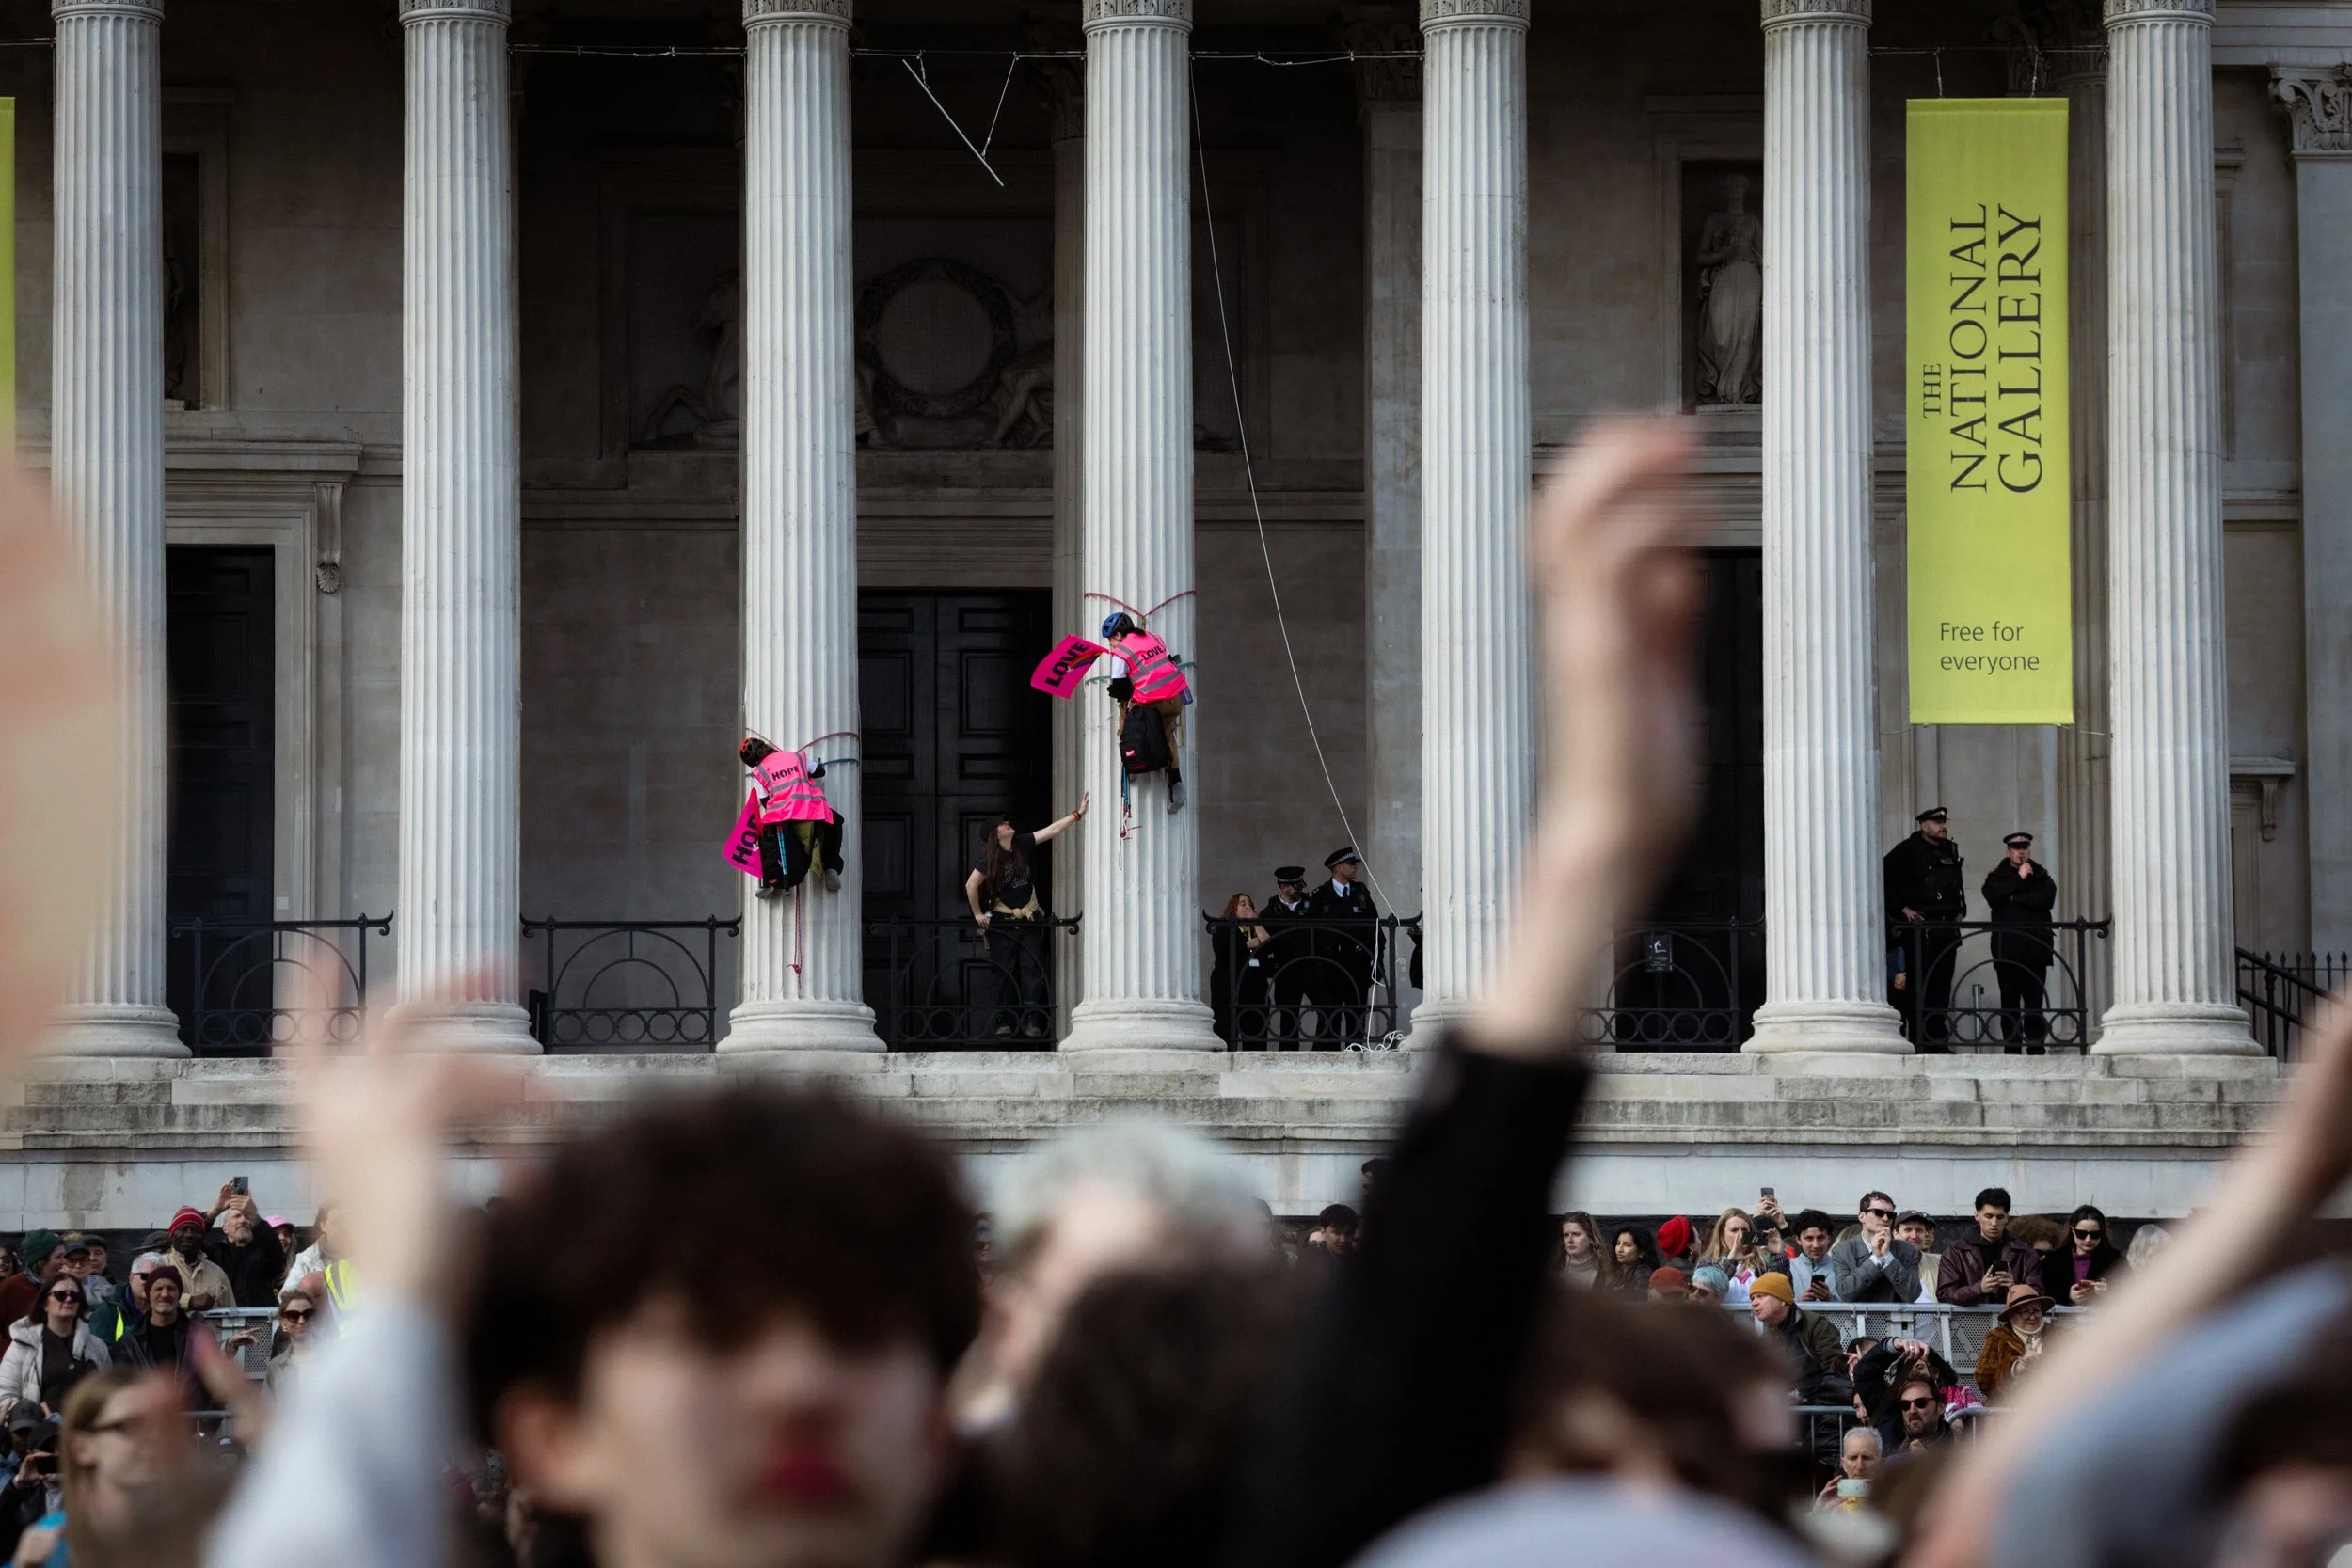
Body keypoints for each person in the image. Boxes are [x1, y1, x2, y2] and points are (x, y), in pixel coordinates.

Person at [965, 800, 1088, 1039]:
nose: (1008, 823)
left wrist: (1077, 815)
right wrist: (978, 914)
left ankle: (1032, 1018)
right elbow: (971, 885)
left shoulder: (1021, 844)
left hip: (1029, 919)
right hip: (1002, 922)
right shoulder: (990, 859)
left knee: (1031, 968)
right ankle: (1003, 1019)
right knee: (1003, 970)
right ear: (995, 834)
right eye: (1002, 824)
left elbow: (1051, 830)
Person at [1884, 805, 1967, 1048]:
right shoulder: (1906, 851)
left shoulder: (1949, 849)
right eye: (1936, 821)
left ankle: (1936, 1040)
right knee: (1919, 987)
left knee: (1942, 987)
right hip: (1921, 930)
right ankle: (1919, 1039)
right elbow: (1884, 879)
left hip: (1946, 929)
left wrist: (1961, 908)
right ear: (1923, 825)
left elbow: (1956, 882)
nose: (1943, 825)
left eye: (1943, 821)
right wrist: (1902, 908)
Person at [1098, 611, 1190, 812]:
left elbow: (1120, 688)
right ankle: (1176, 781)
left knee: (1129, 725)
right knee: (1167, 734)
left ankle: (1133, 764)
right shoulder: (1154, 637)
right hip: (1175, 698)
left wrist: (1119, 694)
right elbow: (1163, 663)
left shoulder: (1121, 652)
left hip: (1152, 702)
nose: (1110, 645)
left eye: (1110, 640)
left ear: (1119, 635)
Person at [738, 735, 846, 899]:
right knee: (836, 823)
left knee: (765, 839)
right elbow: (819, 771)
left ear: (753, 762)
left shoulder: (759, 772)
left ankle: (765, 881)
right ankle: (832, 867)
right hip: (812, 811)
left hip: (783, 818)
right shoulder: (796, 756)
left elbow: (765, 801)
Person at [1982, 830, 2059, 1052]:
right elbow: (1993, 896)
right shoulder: (1998, 876)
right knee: (2010, 1003)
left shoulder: (2040, 874)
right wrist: (2019, 879)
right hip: (2007, 951)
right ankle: (2012, 1048)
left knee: (2034, 1004)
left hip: (2036, 950)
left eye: (2024, 848)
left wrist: (2014, 898)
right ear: (2009, 852)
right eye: (2017, 849)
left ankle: (2036, 1048)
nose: (2021, 853)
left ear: (2029, 850)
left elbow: (2046, 899)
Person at [0, 1276, 106, 1423]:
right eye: (60, 1295)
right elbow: (4, 1394)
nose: (68, 1299)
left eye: (74, 1296)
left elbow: (110, 1392)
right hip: (39, 1437)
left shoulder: (97, 1346)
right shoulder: (22, 1345)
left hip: (88, 1434)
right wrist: (30, 1419)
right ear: (45, 1303)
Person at [1306, 847, 1381, 1045]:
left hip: (1357, 965)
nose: (1355, 867)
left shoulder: (1361, 893)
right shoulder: (1320, 896)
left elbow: (1375, 928)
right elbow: (1309, 935)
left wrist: (1376, 962)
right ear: (1339, 868)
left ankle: (1356, 1055)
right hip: (1330, 967)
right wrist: (1315, 969)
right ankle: (1327, 1060)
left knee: (1356, 1016)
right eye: (1350, 864)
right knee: (1329, 1018)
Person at [1745, 1273, 1850, 1405]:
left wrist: (1815, 1402)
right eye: (1752, 1298)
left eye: (1760, 1296)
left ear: (1782, 1300)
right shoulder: (1766, 1337)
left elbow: (1834, 1368)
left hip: (1818, 1411)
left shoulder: (1815, 1324)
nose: (1754, 1303)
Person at [1937, 1186, 2044, 1307]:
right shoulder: (1956, 1251)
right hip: (1967, 1323)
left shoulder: (2025, 1253)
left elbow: (2038, 1293)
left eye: (2000, 1217)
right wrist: (1979, 1288)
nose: (1994, 1223)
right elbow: (1944, 1294)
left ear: (2007, 1218)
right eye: (1988, 1216)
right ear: (1977, 1216)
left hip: (2011, 1322)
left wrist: (2015, 1288)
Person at [1826, 1190, 1922, 1304]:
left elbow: (1913, 1294)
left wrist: (1887, 1257)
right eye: (1878, 1213)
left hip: (1896, 1320)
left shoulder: (1906, 1250)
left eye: (1891, 1215)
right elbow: (1845, 1293)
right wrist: (1875, 1259)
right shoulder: (1843, 1250)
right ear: (1862, 1217)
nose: (1886, 1219)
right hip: (1859, 1320)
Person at [1259, 866, 1316, 1049]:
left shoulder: (1311, 906)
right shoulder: (1269, 912)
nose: (1299, 888)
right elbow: (1264, 947)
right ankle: (1288, 1056)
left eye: (1300, 884)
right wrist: (1273, 969)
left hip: (1312, 968)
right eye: (1294, 885)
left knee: (1327, 1008)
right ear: (1283, 887)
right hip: (1286, 971)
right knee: (1288, 1017)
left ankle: (1324, 1050)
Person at [204, 1185, 287, 1309]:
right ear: (224, 1228)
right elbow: (191, 1240)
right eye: (237, 1216)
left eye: (247, 1216)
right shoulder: (215, 1253)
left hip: (260, 1323)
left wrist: (254, 1215)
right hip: (221, 1324)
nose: (243, 1220)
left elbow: (276, 1254)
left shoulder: (263, 1252)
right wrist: (215, 1210)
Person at [1209, 894, 1273, 1049]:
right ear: (1233, 908)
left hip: (1255, 992)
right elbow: (1222, 949)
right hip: (1230, 990)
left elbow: (1269, 944)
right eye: (1242, 903)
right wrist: (1247, 945)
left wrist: (1256, 922)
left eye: (1249, 904)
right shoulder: (1225, 928)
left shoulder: (1256, 928)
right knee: (1227, 1033)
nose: (1247, 907)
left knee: (1255, 1037)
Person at [1974, 1282, 2055, 1402]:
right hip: (2009, 1411)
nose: (2032, 1317)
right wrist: (2014, 1369)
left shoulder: (2059, 1335)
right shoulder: (1997, 1338)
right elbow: (1983, 1380)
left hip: (2053, 1407)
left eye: (2036, 1311)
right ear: (2012, 1316)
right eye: (2025, 1312)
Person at [2042, 1202, 2127, 1307]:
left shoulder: (2115, 1261)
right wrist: (2068, 1295)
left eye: (2094, 1234)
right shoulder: (2053, 1261)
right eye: (2081, 1234)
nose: (2088, 1240)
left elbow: (2132, 1292)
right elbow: (2043, 1293)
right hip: (2063, 1321)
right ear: (2072, 1230)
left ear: (2102, 1232)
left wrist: (2109, 1292)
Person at [117, 1269, 190, 1373]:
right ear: (148, 1295)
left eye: (171, 1288)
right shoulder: (130, 1343)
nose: (164, 1294)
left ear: (179, 1295)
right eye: (158, 1289)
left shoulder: (197, 1336)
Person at [162, 1207, 232, 1311]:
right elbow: (148, 1300)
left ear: (203, 1237)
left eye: (196, 1231)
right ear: (172, 1234)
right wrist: (189, 1301)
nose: (189, 1235)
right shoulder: (159, 1265)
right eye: (183, 1229)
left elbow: (232, 1314)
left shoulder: (217, 1273)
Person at [1694, 1209, 1769, 1306]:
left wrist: (1778, 1256)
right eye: (1734, 1230)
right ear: (1722, 1236)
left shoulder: (1761, 1264)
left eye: (1745, 1230)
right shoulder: (1708, 1264)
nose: (1741, 1235)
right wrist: (1730, 1262)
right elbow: (1704, 1296)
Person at [262, 1289, 319, 1402]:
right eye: (293, 1316)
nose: (301, 1321)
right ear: (283, 1322)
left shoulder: (334, 1357)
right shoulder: (275, 1367)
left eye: (307, 1314)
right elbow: (266, 1413)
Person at [0, 1240, 62, 1332]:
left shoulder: (57, 1284)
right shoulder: (7, 1287)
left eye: (5, 1259)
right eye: (58, 1257)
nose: (1, 1263)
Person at [1815, 1426, 1883, 1509]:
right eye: (1853, 1458)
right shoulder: (1832, 1505)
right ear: (1844, 1464)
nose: (1860, 1466)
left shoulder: (1895, 1501)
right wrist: (1818, 1512)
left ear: (1880, 1464)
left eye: (1866, 1458)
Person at [1885, 1371, 1950, 1455]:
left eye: (1920, 1403)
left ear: (1940, 1407)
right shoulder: (1891, 1442)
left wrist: (1926, 1463)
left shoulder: (1958, 1450)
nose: (1912, 1411)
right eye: (1906, 1405)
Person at [1783, 1210, 1839, 1301]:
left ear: (1829, 1238)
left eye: (1821, 1238)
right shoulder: (1787, 1268)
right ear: (1798, 1239)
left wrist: (1829, 1299)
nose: (1816, 1245)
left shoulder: (1841, 1268)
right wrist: (1799, 1303)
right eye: (1809, 1238)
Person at [1601, 1227, 1660, 1298]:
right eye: (1618, 1243)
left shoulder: (1643, 1272)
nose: (1619, 1249)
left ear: (1641, 1252)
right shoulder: (1618, 1272)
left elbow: (1640, 1296)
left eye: (1627, 1245)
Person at [1897, 1212, 1942, 1301]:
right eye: (1908, 1230)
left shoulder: (1941, 1262)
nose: (1914, 1236)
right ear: (1895, 1233)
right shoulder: (1885, 1264)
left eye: (1919, 1230)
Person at [1554, 1212, 1602, 1288]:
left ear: (1591, 1238)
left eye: (1576, 1234)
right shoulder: (1554, 1269)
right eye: (1566, 1235)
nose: (1569, 1240)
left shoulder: (1602, 1275)